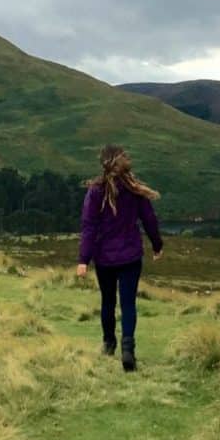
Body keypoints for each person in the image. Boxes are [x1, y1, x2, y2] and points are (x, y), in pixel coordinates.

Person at [77, 144, 163, 372]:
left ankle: (108, 344)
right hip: (131, 257)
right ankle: (128, 350)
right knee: (128, 304)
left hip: (104, 259)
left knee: (107, 302)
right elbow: (149, 220)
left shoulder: (95, 192)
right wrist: (157, 245)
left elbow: (88, 227)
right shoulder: (134, 190)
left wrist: (83, 260)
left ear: (104, 164)